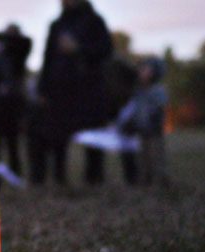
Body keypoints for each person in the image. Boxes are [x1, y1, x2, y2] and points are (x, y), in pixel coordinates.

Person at [30, 0, 113, 187]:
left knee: (93, 135)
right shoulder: (57, 25)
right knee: (57, 135)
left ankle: (94, 178)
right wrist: (43, 88)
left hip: (88, 88)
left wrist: (78, 49)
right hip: (59, 89)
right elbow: (48, 57)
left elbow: (106, 50)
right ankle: (59, 178)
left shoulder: (94, 21)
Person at [0, 24, 33, 176]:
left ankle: (14, 175)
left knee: (12, 143)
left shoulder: (18, 53)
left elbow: (25, 42)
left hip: (12, 104)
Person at [115, 57, 170, 187]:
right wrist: (130, 124)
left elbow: (159, 109)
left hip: (154, 132)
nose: (141, 72)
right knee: (143, 158)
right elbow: (134, 110)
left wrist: (154, 123)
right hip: (142, 131)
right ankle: (145, 181)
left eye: (145, 69)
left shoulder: (158, 91)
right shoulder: (137, 91)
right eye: (141, 69)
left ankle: (161, 181)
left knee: (156, 157)